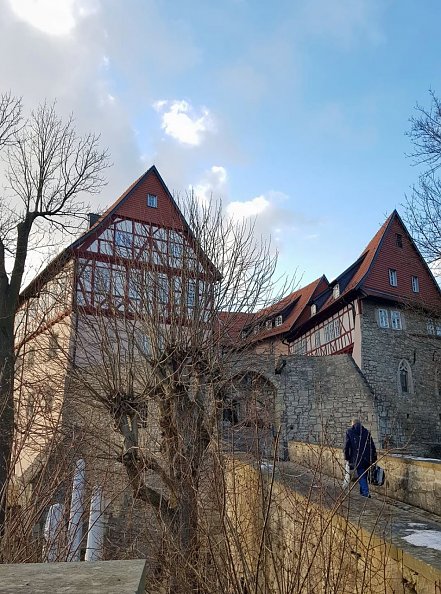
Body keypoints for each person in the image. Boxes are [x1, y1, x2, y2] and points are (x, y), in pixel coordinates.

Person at [344, 418, 377, 498]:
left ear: (352, 424)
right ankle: (362, 492)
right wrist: (374, 458)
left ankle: (366, 493)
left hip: (357, 458)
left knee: (361, 475)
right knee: (363, 475)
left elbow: (346, 446)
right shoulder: (366, 432)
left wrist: (347, 457)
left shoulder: (349, 432)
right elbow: (372, 445)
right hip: (367, 458)